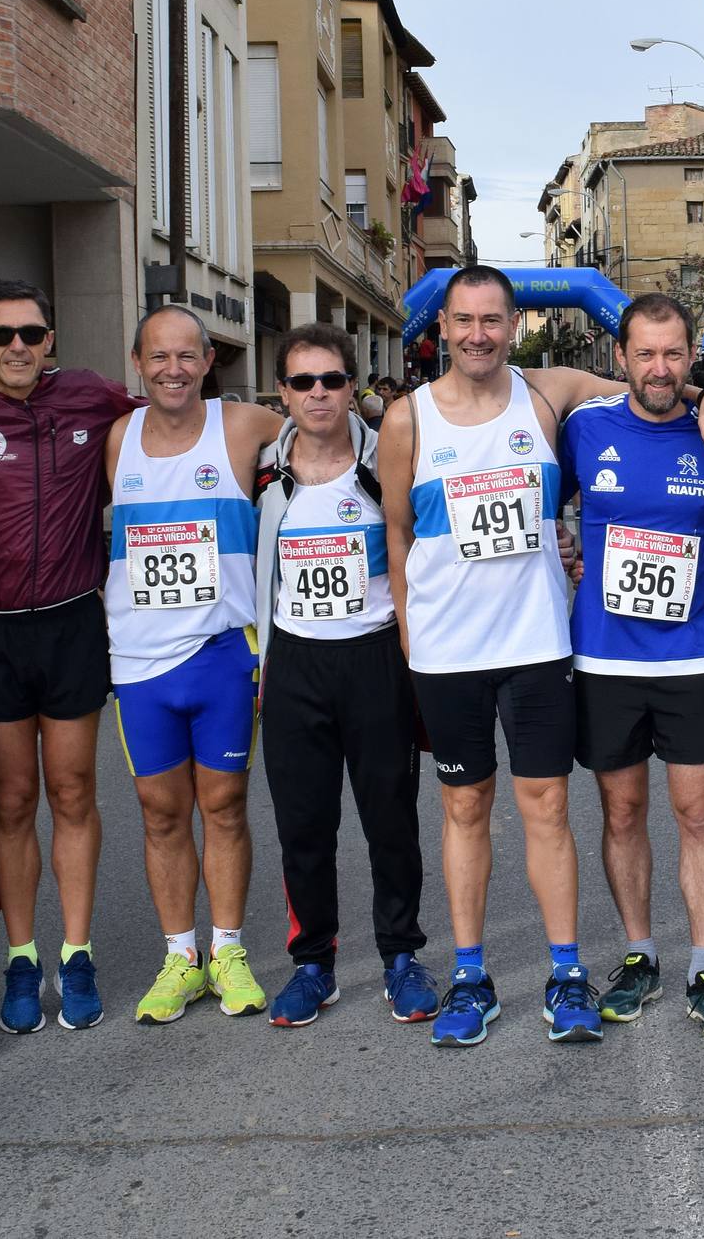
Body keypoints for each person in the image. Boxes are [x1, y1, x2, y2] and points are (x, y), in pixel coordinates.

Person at [380, 265, 704, 1048]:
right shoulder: (407, 419)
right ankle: (471, 973)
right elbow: (397, 533)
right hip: (447, 651)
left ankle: (567, 970)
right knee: (464, 809)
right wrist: (409, 638)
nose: (479, 333)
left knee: (546, 809)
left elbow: (658, 379)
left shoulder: (548, 397)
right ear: (441, 326)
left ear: (514, 325)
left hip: (540, 642)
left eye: (493, 320)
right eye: (464, 320)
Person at [0, 278, 141, 1037]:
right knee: (13, 800)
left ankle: (77, 953)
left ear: (50, 338)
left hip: (70, 623)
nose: (16, 346)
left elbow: (182, 415)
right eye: (0, 335)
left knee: (75, 792)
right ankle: (22, 957)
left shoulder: (93, 398)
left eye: (30, 332)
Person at [565, 294, 704, 1040]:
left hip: (694, 655)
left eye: (673, 354)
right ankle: (640, 955)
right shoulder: (584, 428)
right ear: (621, 359)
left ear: (691, 357)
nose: (659, 369)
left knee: (699, 812)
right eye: (645, 354)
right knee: (622, 811)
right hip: (606, 655)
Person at [253, 325, 438, 1029]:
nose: (319, 394)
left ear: (352, 385)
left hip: (374, 654)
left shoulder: (386, 458)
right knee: (304, 825)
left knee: (389, 818)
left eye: (332, 380)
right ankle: (314, 964)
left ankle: (400, 955)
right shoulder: (265, 470)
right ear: (284, 392)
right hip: (295, 659)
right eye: (303, 383)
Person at [107, 306, 284, 1025]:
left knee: (225, 806)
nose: (173, 369)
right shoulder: (117, 438)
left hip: (221, 656)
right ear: (137, 361)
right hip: (141, 659)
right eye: (159, 357)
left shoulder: (243, 426)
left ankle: (229, 949)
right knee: (160, 812)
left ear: (209, 360)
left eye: (187, 356)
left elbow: (341, 438)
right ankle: (180, 956)